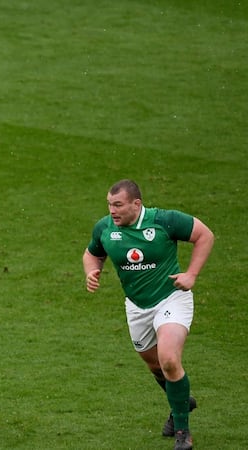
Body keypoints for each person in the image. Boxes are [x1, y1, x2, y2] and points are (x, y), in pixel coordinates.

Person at [82, 179, 214, 450]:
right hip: (137, 307)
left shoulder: (164, 221)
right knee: (156, 366)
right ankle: (181, 400)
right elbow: (91, 253)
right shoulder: (105, 227)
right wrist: (91, 272)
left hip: (171, 298)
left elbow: (205, 235)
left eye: (118, 205)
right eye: (109, 205)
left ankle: (182, 433)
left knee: (168, 359)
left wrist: (191, 274)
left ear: (136, 204)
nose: (112, 211)